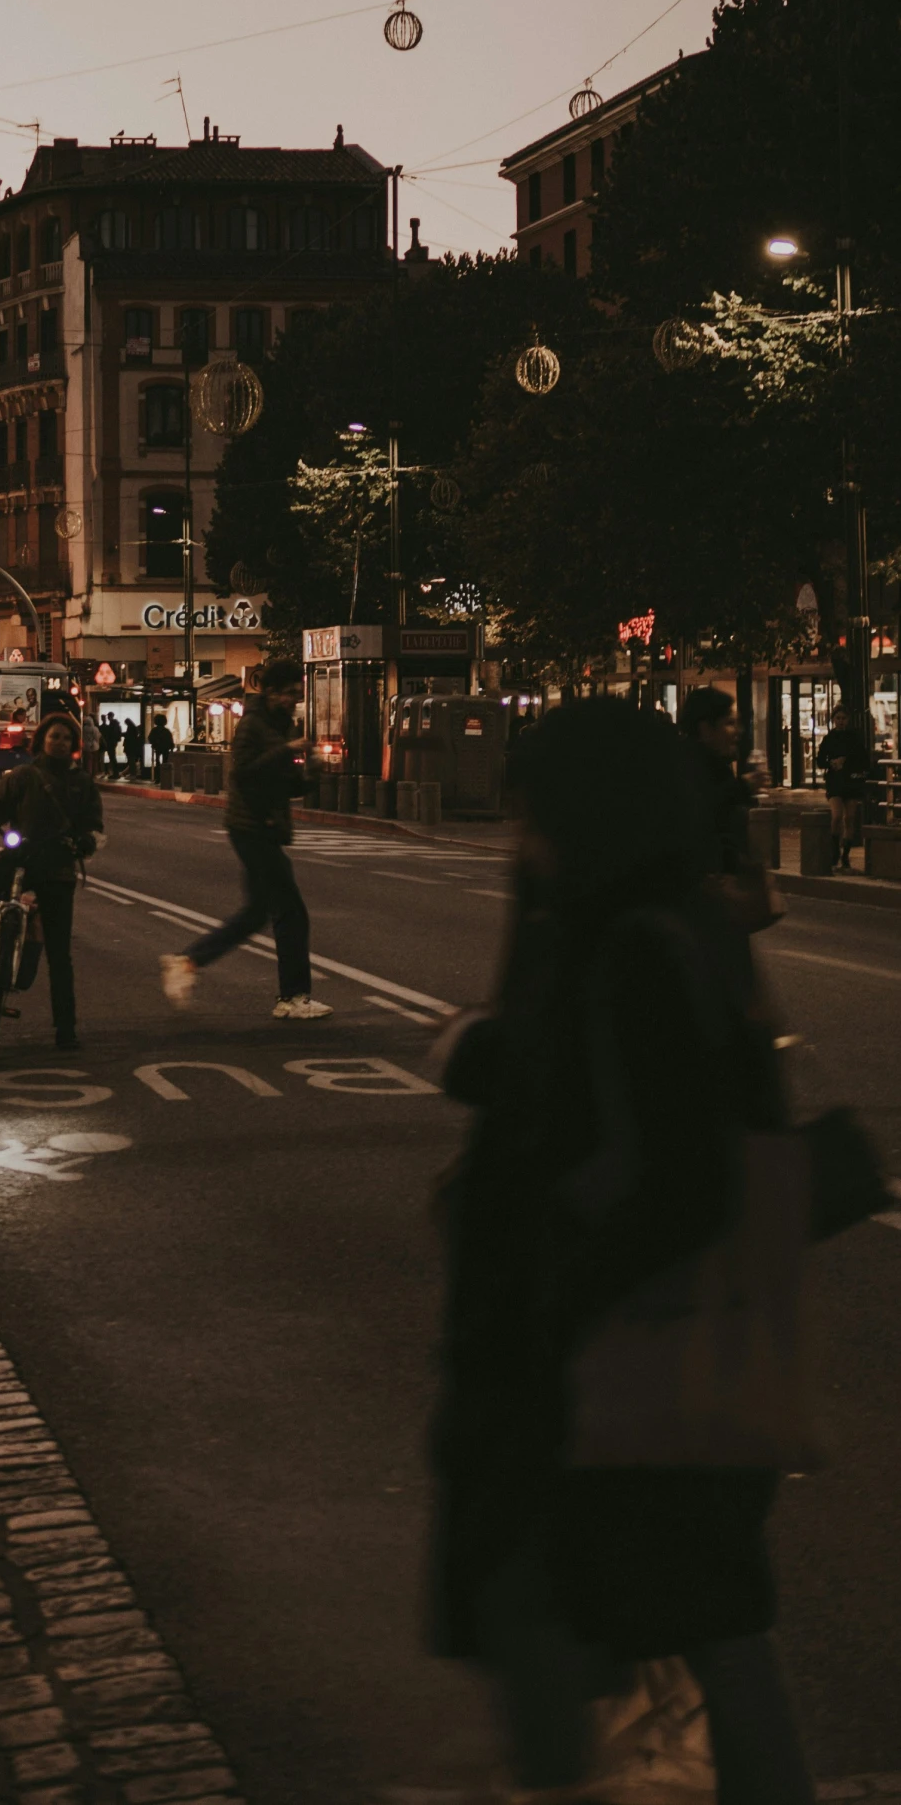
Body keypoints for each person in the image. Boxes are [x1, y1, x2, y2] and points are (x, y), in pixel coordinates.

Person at [428, 699, 816, 1805]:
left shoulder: (632, 945)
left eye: (533, 818)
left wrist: (557, 1308)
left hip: (622, 1371)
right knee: (700, 1623)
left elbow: (665, 1167)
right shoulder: (684, 927)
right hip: (688, 1365)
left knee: (571, 1612)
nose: (521, 843)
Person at [160, 658, 330, 1021]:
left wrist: (313, 771)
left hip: (264, 826)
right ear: (269, 692)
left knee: (256, 913)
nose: (292, 701)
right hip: (252, 826)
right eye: (287, 694)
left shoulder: (279, 725)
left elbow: (283, 785)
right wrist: (288, 751)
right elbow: (244, 773)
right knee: (291, 912)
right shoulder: (253, 725)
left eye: (297, 695)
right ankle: (294, 996)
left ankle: (189, 960)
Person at [0, 712, 104, 1051]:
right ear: (42, 742)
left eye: (66, 738)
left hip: (58, 870)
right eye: (55, 737)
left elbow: (94, 824)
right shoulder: (23, 776)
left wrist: (86, 841)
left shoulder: (81, 783)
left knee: (60, 954)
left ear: (74, 745)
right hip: (20, 860)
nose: (60, 742)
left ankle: (66, 1028)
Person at [679, 686, 756, 876]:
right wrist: (743, 787)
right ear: (706, 729)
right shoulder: (688, 768)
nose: (737, 732)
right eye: (729, 723)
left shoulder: (717, 766)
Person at [815, 702, 865, 870]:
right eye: (838, 718)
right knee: (836, 816)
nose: (841, 721)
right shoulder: (829, 738)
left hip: (850, 782)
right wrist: (831, 763)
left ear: (848, 720)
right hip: (835, 782)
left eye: (843, 718)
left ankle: (846, 854)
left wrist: (846, 762)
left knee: (849, 817)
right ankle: (835, 849)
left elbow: (862, 759)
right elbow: (820, 760)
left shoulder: (854, 738)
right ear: (833, 720)